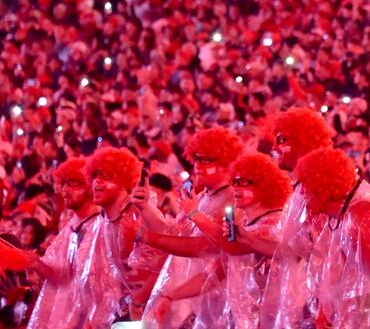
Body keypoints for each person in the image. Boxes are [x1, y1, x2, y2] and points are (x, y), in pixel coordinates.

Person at [139, 127, 242, 328]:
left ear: (226, 163)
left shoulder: (232, 200)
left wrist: (146, 236)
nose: (198, 166)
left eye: (206, 160)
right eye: (196, 159)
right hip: (181, 299)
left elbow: (204, 248)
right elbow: (175, 237)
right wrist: (146, 209)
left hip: (212, 304)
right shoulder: (200, 198)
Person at [188, 152, 292, 328]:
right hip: (242, 317)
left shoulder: (274, 221)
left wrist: (194, 213)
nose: (235, 187)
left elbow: (233, 247)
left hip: (269, 320)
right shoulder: (241, 223)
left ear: (264, 186)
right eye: (234, 182)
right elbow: (215, 273)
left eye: (243, 182)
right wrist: (169, 296)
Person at [295, 147, 370, 327]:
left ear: (323, 186)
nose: (301, 192)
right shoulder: (341, 217)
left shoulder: (361, 218)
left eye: (305, 184)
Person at [261, 107, 334, 327]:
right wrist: (245, 238)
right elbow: (290, 249)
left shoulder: (320, 185)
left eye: (282, 140)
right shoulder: (300, 187)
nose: (274, 147)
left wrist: (325, 305)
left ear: (303, 141)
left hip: (317, 304)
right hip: (299, 300)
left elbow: (330, 251)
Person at [84, 146, 164, 325]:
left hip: (156, 311)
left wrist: (139, 300)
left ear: (125, 182)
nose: (97, 182)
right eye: (95, 175)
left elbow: (167, 262)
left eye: (106, 176)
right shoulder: (105, 220)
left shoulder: (138, 216)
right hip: (130, 309)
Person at [27, 157, 102, 329]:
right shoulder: (72, 224)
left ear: (91, 186)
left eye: (74, 184)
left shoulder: (100, 225)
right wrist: (29, 261)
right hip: (59, 316)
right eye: (64, 184)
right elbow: (58, 273)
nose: (65, 190)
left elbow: (96, 285)